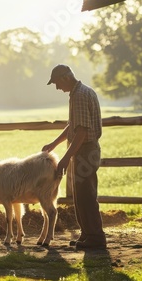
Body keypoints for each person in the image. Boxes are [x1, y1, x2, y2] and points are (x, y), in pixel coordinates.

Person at [42, 64, 106, 250]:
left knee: (86, 195)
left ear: (65, 78)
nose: (56, 87)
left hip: (85, 151)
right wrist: (54, 144)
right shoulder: (82, 92)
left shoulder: (79, 96)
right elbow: (73, 126)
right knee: (81, 195)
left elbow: (82, 133)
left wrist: (64, 159)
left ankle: (96, 236)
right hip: (84, 150)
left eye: (56, 83)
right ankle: (87, 234)